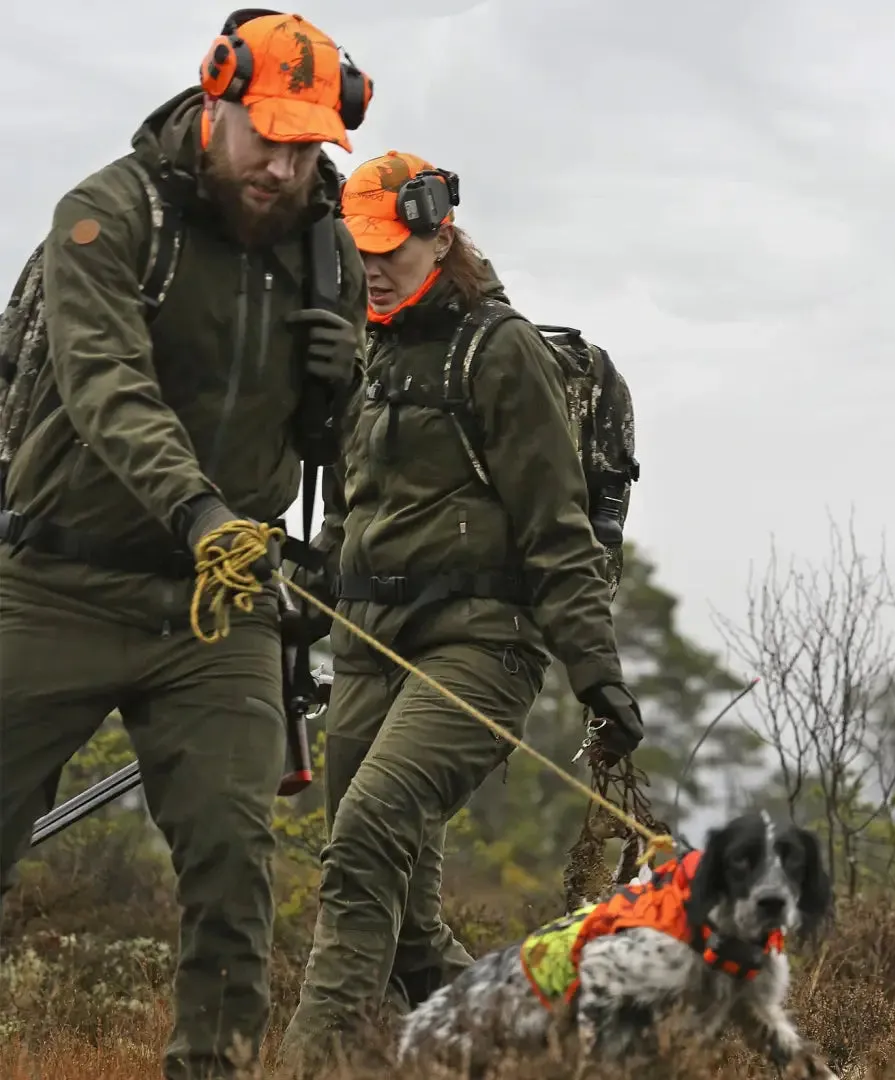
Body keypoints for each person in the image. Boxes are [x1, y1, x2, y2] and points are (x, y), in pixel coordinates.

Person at [0, 11, 371, 1079]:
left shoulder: (326, 249)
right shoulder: (108, 216)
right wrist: (200, 511)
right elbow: (106, 387)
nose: (284, 166)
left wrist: (343, 388)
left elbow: (341, 454)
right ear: (214, 106)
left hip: (219, 615)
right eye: (267, 138)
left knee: (232, 872)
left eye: (307, 146)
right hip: (56, 584)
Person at [274, 150, 645, 1074]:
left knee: (365, 840)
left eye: (392, 244)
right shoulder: (363, 345)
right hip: (370, 649)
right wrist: (311, 578)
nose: (375, 263)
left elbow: (558, 532)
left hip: (481, 645)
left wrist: (597, 674)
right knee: (397, 915)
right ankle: (529, 1049)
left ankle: (310, 1066)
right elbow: (355, 505)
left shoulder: (499, 349)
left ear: (440, 230)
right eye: (360, 247)